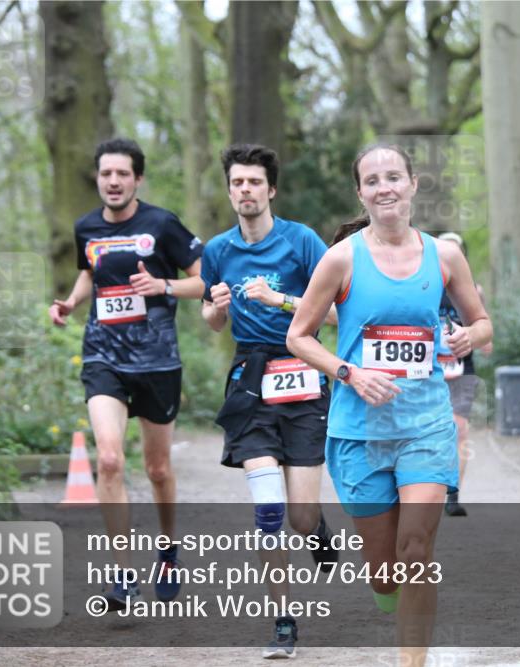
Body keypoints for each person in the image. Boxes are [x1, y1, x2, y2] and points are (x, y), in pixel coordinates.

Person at [287, 143, 493, 667]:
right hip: (359, 430)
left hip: (425, 423)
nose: (385, 187)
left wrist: (471, 336)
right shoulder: (342, 258)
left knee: (415, 551)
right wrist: (350, 372)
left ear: (413, 184)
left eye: (394, 177)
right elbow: (299, 336)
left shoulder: (443, 256)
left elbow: (483, 323)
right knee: (385, 572)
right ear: (361, 192)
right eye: (373, 180)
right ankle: (389, 596)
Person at [49, 137, 205, 609]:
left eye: (122, 174)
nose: (113, 182)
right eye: (105, 174)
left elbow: (204, 281)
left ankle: (168, 548)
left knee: (157, 469)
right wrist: (73, 301)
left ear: (137, 179)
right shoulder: (86, 228)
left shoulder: (162, 224)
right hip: (104, 357)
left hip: (157, 362)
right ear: (97, 179)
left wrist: (163, 285)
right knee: (111, 460)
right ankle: (121, 574)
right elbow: (89, 271)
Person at [200, 143, 339, 659]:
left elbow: (333, 313)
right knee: (268, 511)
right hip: (250, 382)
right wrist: (215, 310)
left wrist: (278, 298)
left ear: (271, 189)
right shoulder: (217, 250)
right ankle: (283, 621)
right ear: (230, 190)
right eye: (237, 183)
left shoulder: (301, 241)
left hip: (302, 373)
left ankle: (318, 528)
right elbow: (212, 320)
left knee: (300, 517)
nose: (245, 190)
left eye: (254, 182)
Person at [436, 232, 493, 517]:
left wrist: (479, 338)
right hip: (427, 368)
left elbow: (483, 329)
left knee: (459, 428)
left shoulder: (473, 289)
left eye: (455, 251)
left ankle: (453, 494)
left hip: (461, 367)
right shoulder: (424, 284)